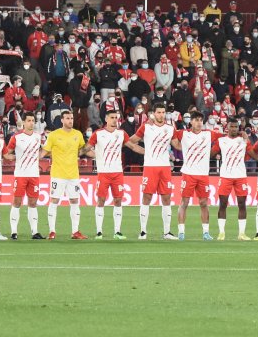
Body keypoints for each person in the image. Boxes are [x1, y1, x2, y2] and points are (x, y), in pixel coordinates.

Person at [85, 111, 140, 240]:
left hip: (117, 173)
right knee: (101, 201)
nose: (115, 120)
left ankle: (117, 231)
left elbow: (132, 146)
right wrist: (93, 155)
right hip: (103, 173)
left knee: (118, 200)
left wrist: (147, 152)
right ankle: (99, 231)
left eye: (116, 118)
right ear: (106, 119)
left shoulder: (121, 134)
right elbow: (86, 149)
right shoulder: (98, 134)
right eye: (112, 118)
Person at [129, 102, 177, 240]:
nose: (161, 115)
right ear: (154, 113)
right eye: (159, 112)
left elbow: (177, 145)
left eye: (163, 112)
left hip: (165, 167)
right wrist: (144, 151)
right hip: (150, 167)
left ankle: (167, 232)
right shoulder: (146, 127)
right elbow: (131, 141)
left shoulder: (170, 128)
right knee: (147, 197)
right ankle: (143, 231)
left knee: (166, 198)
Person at [172, 112, 219, 240]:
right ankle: (181, 232)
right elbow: (169, 135)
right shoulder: (183, 133)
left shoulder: (209, 134)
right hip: (188, 174)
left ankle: (206, 232)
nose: (199, 123)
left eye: (200, 120)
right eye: (196, 120)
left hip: (203, 175)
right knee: (184, 202)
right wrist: (176, 145)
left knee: (204, 203)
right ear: (191, 122)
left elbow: (225, 137)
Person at [41, 109, 87, 240]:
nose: (70, 120)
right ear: (62, 120)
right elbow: (44, 151)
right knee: (54, 201)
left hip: (73, 175)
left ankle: (75, 232)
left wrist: (99, 155)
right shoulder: (54, 135)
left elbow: (83, 150)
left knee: (74, 201)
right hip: (58, 174)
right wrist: (33, 159)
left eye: (71, 118)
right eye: (67, 118)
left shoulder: (78, 134)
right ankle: (52, 231)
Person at [3, 112, 45, 239]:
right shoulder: (16, 137)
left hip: (34, 175)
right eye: (29, 120)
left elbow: (43, 151)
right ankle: (14, 232)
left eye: (33, 120)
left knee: (33, 202)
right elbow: (7, 153)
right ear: (24, 122)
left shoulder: (38, 137)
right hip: (20, 174)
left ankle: (35, 231)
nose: (31, 122)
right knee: (17, 201)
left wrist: (37, 158)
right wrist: (16, 158)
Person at [214, 118, 250, 240]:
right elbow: (211, 153)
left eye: (236, 127)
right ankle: (221, 232)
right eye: (232, 126)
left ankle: (241, 233)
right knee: (223, 204)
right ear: (227, 127)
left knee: (242, 204)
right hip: (225, 176)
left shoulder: (244, 140)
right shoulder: (221, 140)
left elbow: (251, 153)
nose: (234, 129)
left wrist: (248, 139)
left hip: (240, 176)